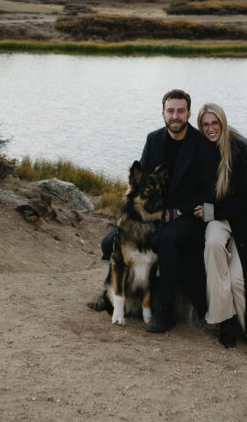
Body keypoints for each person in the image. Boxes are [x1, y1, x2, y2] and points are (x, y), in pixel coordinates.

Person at [101, 89, 217, 333]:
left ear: (188, 114)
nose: (175, 116)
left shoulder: (201, 146)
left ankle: (165, 309)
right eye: (170, 111)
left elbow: (207, 192)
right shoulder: (153, 139)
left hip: (185, 216)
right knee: (109, 243)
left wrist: (176, 212)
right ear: (163, 113)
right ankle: (121, 292)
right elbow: (139, 180)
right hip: (153, 213)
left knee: (166, 239)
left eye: (181, 111)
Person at [194, 103, 247, 353]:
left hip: (246, 220)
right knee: (212, 245)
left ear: (223, 122)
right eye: (205, 125)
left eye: (215, 123)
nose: (211, 129)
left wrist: (211, 212)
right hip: (219, 220)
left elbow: (246, 200)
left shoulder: (240, 148)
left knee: (238, 282)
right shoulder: (203, 150)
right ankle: (225, 322)